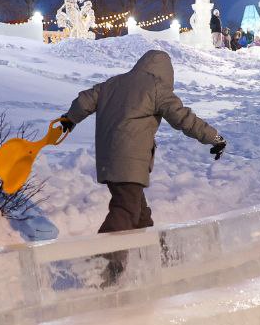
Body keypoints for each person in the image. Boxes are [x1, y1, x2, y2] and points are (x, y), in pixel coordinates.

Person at [57, 50, 225, 282]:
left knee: (139, 214)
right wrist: (214, 137)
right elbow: (184, 119)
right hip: (130, 161)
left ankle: (159, 257)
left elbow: (84, 101)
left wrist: (68, 120)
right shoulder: (157, 88)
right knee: (125, 211)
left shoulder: (113, 83)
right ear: (167, 74)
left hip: (108, 159)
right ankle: (99, 267)